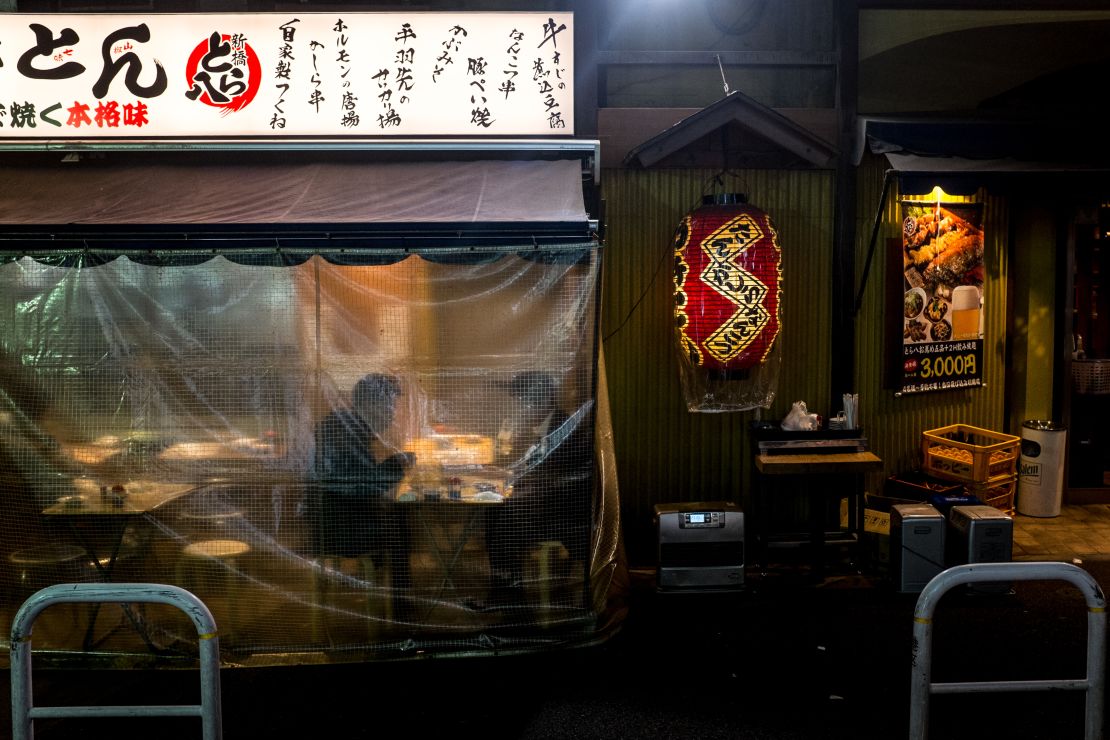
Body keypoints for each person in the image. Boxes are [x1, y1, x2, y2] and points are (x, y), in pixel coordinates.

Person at [483, 370, 593, 610]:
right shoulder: (535, 426)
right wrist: (504, 471)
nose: (517, 408)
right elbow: (523, 464)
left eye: (521, 402)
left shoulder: (565, 429)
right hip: (539, 503)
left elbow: (557, 478)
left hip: (562, 513)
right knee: (491, 512)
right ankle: (506, 589)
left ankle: (510, 597)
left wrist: (517, 478)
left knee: (505, 516)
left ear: (540, 402)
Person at [311, 373, 415, 596]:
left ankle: (398, 600)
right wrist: (395, 467)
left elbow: (357, 478)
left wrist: (393, 463)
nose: (394, 414)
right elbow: (354, 484)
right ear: (371, 405)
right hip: (340, 529)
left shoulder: (347, 427)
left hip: (340, 519)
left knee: (399, 521)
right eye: (391, 406)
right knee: (400, 527)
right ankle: (401, 608)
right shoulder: (342, 432)